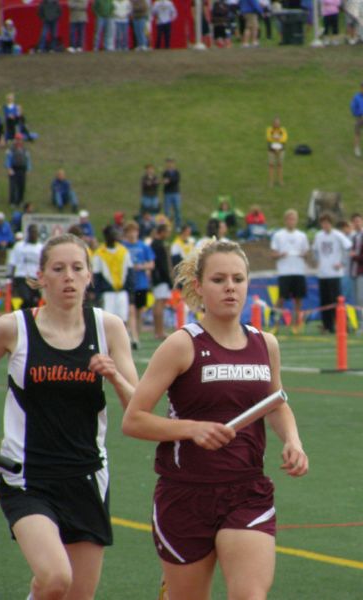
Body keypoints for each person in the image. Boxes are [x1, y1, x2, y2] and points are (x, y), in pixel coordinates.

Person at [121, 239, 308, 600]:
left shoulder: (265, 343)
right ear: (199, 287)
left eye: (238, 279)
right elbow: (134, 420)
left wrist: (293, 440)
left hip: (247, 491)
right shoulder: (181, 345)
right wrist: (192, 429)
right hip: (185, 493)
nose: (230, 287)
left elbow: (276, 402)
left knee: (250, 596)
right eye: (219, 279)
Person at [0, 233, 138, 600]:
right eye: (58, 269)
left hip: (88, 476)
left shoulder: (109, 328)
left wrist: (114, 375)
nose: (69, 276)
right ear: (40, 277)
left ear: (90, 276)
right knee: (55, 578)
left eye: (77, 268)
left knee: (76, 596)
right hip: (28, 478)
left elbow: (138, 406)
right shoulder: (14, 327)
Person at [270, 209, 309, 332]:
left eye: (293, 219)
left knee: (298, 299)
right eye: (289, 219)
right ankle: (275, 324)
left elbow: (307, 252)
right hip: (284, 271)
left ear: (296, 220)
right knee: (281, 299)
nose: (291, 221)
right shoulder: (278, 235)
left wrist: (304, 254)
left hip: (299, 271)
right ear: (285, 220)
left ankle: (296, 324)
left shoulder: (302, 235)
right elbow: (273, 254)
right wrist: (281, 255)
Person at [312, 213, 352, 334]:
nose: (325, 225)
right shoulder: (318, 235)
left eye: (327, 222)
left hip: (334, 274)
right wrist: (317, 262)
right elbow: (314, 250)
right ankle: (327, 326)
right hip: (323, 273)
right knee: (325, 302)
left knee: (336, 302)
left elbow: (348, 247)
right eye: (323, 223)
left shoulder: (338, 235)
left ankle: (342, 325)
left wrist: (342, 262)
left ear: (331, 223)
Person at [92, 225, 134, 327]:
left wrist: (130, 289)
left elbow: (130, 271)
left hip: (122, 291)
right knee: (107, 321)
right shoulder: (99, 253)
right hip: (108, 292)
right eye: (113, 233)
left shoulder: (123, 251)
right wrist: (97, 294)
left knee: (122, 320)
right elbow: (96, 275)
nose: (116, 236)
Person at [123, 221, 155, 350]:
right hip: (128, 284)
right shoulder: (123, 246)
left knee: (139, 311)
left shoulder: (143, 246)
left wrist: (141, 267)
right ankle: (132, 336)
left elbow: (151, 264)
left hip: (141, 283)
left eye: (134, 231)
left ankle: (137, 335)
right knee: (130, 311)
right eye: (129, 232)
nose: (132, 234)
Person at [7, 224, 43, 309]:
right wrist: (10, 278)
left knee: (35, 301)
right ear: (28, 233)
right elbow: (12, 262)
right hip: (22, 277)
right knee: (25, 299)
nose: (33, 234)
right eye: (32, 232)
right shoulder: (19, 246)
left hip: (35, 278)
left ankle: (29, 318)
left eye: (35, 232)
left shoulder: (41, 248)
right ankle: (20, 313)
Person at [149, 223, 173, 340]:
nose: (168, 234)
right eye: (167, 231)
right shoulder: (158, 245)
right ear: (162, 232)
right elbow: (162, 264)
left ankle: (158, 331)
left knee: (158, 303)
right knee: (160, 303)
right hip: (160, 278)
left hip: (157, 277)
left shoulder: (154, 243)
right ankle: (159, 331)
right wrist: (168, 279)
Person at [6, 134, 31, 207]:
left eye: (20, 139)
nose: (19, 141)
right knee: (13, 186)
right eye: (18, 139)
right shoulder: (11, 149)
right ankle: (12, 201)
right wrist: (9, 168)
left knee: (21, 185)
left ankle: (20, 201)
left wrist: (28, 169)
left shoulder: (25, 149)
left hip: (22, 169)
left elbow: (28, 159)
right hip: (14, 169)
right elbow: (8, 159)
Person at [266, 117, 288, 187]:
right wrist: (275, 138)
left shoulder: (282, 130)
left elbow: (285, 139)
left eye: (278, 123)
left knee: (280, 165)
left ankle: (280, 181)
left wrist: (277, 138)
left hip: (281, 150)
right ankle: (271, 181)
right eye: (275, 123)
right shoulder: (269, 129)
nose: (276, 124)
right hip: (271, 150)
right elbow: (268, 137)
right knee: (271, 165)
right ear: (273, 123)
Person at [161, 158, 181, 228]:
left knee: (177, 210)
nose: (170, 164)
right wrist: (168, 181)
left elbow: (176, 180)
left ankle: (178, 225)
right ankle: (166, 225)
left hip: (175, 193)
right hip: (167, 193)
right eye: (168, 163)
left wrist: (169, 180)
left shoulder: (176, 172)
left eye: (171, 163)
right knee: (167, 210)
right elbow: (164, 181)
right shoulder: (165, 173)